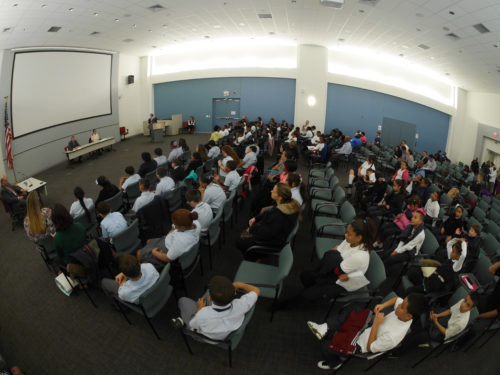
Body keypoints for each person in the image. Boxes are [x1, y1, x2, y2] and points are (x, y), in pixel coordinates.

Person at [309, 293, 426, 370]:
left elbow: (370, 348)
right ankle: (326, 327)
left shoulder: (393, 337)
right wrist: (383, 305)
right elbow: (396, 299)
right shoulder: (403, 311)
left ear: (409, 316)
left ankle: (334, 363)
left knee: (324, 345)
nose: (399, 305)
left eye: (402, 307)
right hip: (368, 327)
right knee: (355, 309)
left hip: (361, 344)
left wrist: (376, 324)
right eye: (402, 302)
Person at [291, 219, 376, 305]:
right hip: (337, 269)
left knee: (306, 295)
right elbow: (335, 251)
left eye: (349, 234)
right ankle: (315, 288)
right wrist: (334, 256)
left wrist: (334, 256)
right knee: (306, 275)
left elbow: (336, 269)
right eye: (346, 232)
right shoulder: (351, 240)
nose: (345, 235)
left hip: (342, 281)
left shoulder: (359, 256)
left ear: (359, 238)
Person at [172, 276, 260, 340]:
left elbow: (193, 323)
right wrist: (238, 284)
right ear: (234, 294)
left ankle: (185, 325)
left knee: (182, 301)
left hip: (206, 337)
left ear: (211, 298)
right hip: (225, 332)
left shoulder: (202, 314)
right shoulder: (241, 305)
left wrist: (199, 309)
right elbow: (256, 290)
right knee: (208, 292)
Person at [237, 183, 300, 260]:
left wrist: (251, 229)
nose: (271, 191)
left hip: (272, 242)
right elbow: (269, 211)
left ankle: (254, 257)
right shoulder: (287, 204)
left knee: (239, 242)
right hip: (277, 236)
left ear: (279, 197)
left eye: (274, 191)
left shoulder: (279, 215)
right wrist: (256, 218)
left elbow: (267, 233)